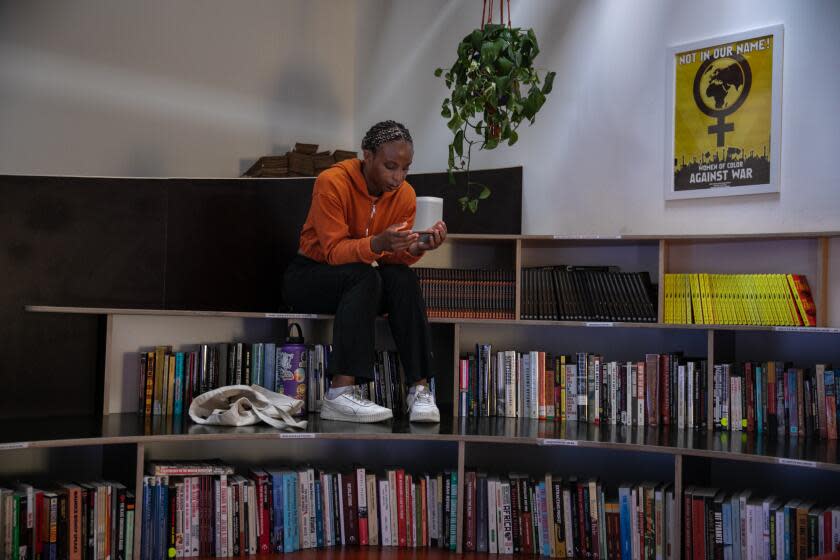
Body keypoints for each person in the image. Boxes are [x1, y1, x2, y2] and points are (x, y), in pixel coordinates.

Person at [282, 121, 447, 424]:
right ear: (367, 156)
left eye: (405, 169)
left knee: (403, 277)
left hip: (359, 283)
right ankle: (339, 394)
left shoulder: (405, 196)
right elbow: (334, 252)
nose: (398, 178)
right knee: (364, 275)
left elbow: (392, 258)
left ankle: (420, 389)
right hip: (309, 277)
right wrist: (377, 243)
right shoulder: (332, 182)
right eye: (390, 166)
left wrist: (417, 247)